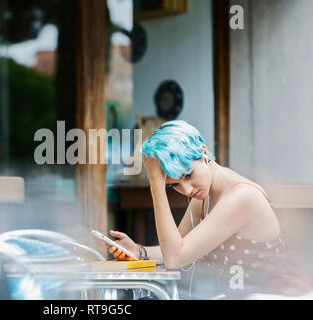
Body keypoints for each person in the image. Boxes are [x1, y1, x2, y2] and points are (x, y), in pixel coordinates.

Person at [105, 120, 313, 299]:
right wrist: (139, 251)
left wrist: (156, 185)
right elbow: (175, 248)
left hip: (276, 296)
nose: (186, 189)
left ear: (204, 153)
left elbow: (175, 258)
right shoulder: (203, 196)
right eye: (174, 185)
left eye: (188, 174)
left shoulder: (242, 198)